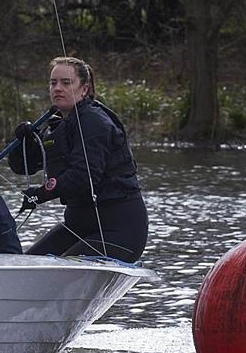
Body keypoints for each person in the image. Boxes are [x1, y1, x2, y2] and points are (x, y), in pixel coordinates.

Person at [8, 56, 148, 263]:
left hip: (118, 230)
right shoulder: (56, 125)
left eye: (66, 83)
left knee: (59, 270)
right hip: (78, 226)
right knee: (25, 264)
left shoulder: (94, 122)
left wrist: (40, 194)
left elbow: (83, 177)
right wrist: (23, 143)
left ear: (84, 89)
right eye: (53, 83)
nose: (57, 88)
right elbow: (22, 168)